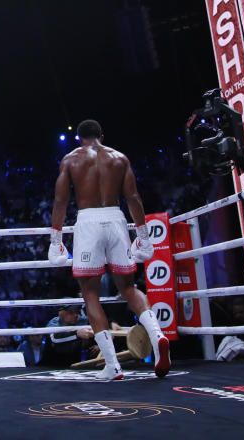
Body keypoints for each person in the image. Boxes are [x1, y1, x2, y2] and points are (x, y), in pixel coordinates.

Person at [48, 119, 170, 380]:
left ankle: (112, 366)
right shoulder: (120, 158)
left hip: (88, 221)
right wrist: (144, 236)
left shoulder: (71, 159)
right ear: (101, 135)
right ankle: (158, 336)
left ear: (79, 138)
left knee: (90, 293)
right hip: (116, 219)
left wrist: (55, 241)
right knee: (128, 288)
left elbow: (60, 201)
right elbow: (134, 198)